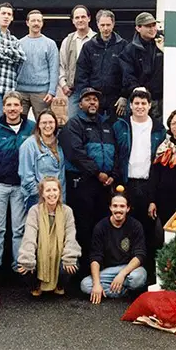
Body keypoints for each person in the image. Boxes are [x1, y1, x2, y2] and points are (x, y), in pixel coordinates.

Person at [58, 87, 119, 275]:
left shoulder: (107, 125)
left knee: (102, 225)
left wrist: (112, 175)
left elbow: (116, 152)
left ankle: (100, 266)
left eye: (95, 99)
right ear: (80, 104)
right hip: (82, 182)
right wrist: (98, 173)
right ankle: (82, 271)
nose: (92, 102)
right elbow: (76, 154)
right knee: (83, 226)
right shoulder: (74, 125)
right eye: (88, 99)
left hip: (104, 184)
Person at [112, 87, 165, 282]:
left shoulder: (159, 129)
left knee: (148, 231)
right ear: (131, 106)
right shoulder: (121, 126)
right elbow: (116, 155)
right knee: (125, 228)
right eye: (136, 103)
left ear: (150, 106)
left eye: (144, 103)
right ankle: (126, 272)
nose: (140, 106)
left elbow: (160, 163)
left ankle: (147, 275)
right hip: (126, 185)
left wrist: (153, 197)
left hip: (148, 184)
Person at [0, 91, 36, 274]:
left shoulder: (31, 128)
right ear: (3, 108)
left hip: (21, 186)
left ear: (21, 107)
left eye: (15, 105)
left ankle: (18, 264)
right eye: (9, 105)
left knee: (19, 228)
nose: (12, 109)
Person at [17, 176, 81, 296]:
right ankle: (35, 286)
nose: (52, 194)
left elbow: (71, 237)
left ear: (59, 192)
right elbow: (29, 237)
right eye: (48, 190)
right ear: (42, 194)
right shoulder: (34, 211)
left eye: (54, 190)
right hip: (39, 253)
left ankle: (60, 284)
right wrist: (27, 259)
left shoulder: (67, 211)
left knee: (72, 265)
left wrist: (69, 257)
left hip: (59, 253)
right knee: (23, 266)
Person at [80, 192, 147, 304]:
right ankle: (124, 292)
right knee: (86, 285)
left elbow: (140, 255)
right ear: (110, 207)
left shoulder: (135, 226)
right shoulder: (101, 227)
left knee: (137, 278)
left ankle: (115, 288)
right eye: (115, 206)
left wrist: (122, 274)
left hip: (130, 269)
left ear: (128, 208)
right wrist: (97, 284)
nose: (118, 210)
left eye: (122, 206)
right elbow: (95, 257)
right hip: (108, 272)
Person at [75, 9, 128, 119]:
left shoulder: (123, 46)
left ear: (113, 24)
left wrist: (124, 96)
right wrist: (87, 97)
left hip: (116, 100)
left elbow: (127, 73)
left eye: (108, 25)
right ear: (97, 25)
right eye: (102, 25)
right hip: (93, 99)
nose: (105, 28)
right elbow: (81, 73)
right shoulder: (88, 47)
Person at [119, 12, 164, 122]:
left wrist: (165, 51)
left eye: (154, 25)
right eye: (148, 26)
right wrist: (140, 93)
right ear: (138, 28)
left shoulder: (164, 44)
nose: (152, 29)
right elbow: (127, 75)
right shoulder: (129, 50)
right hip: (141, 102)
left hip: (162, 100)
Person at [19, 109, 66, 212]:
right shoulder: (29, 145)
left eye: (51, 122)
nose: (48, 126)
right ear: (38, 125)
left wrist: (58, 196)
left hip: (59, 198)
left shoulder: (61, 143)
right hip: (38, 199)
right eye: (44, 123)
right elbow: (26, 176)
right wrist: (42, 195)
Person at [16, 9, 60, 121]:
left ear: (42, 23)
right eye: (33, 20)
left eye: (39, 21)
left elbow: (54, 69)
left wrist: (51, 91)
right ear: (27, 23)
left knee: (43, 123)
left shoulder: (50, 44)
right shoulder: (19, 43)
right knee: (19, 124)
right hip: (20, 91)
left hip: (42, 93)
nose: (36, 23)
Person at [58, 5, 97, 118]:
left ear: (89, 18)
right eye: (77, 17)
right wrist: (63, 85)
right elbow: (61, 65)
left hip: (95, 91)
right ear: (73, 21)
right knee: (73, 124)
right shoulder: (67, 41)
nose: (80, 20)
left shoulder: (97, 39)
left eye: (83, 17)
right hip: (74, 91)